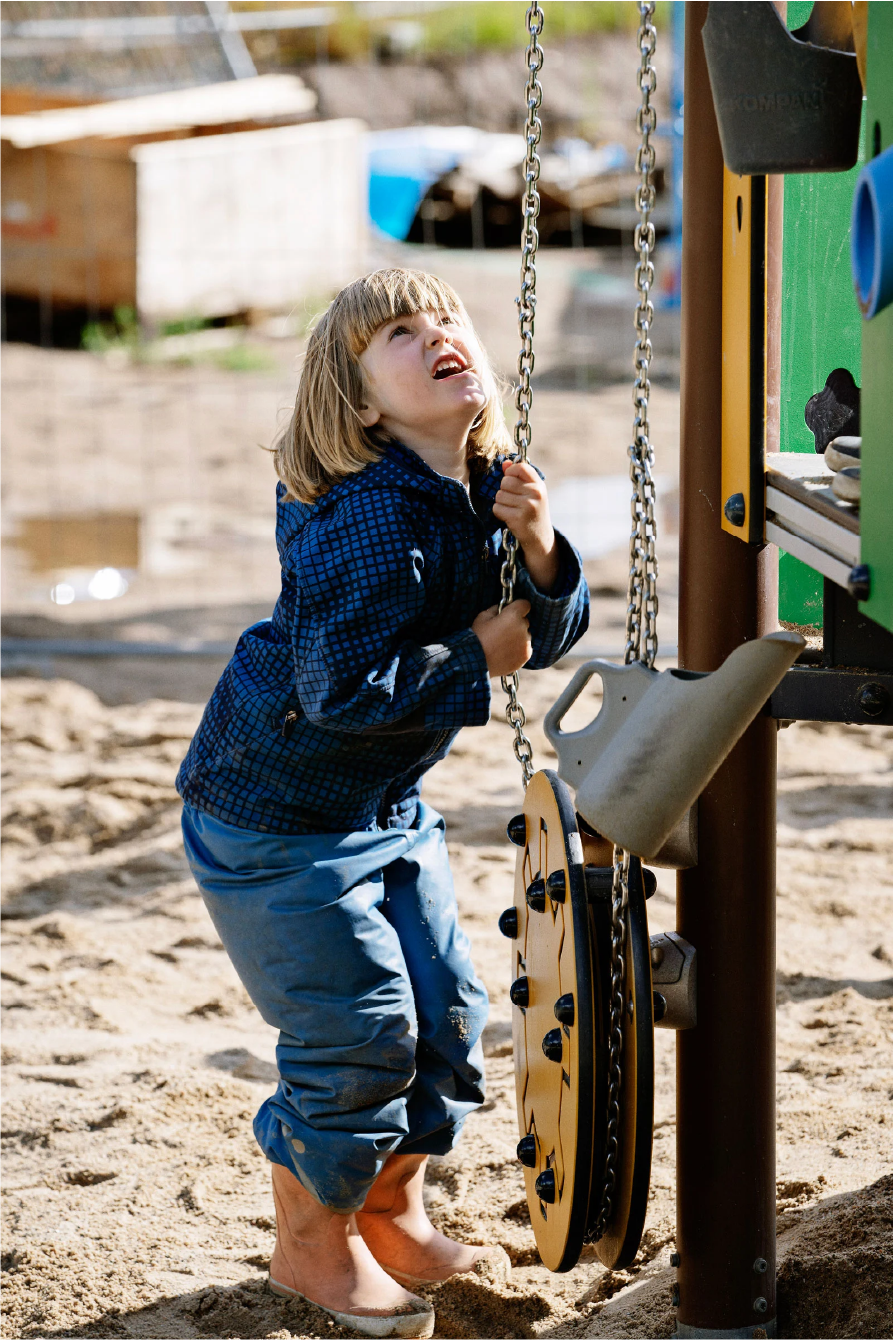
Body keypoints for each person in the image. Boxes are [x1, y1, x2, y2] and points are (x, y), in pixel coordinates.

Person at [177, 268, 589, 1337]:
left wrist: (540, 550)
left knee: (445, 1014)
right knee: (355, 1031)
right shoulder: (366, 521)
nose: (436, 334)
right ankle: (311, 1241)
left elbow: (542, 627)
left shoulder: (480, 478)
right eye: (398, 333)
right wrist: (471, 653)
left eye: (444, 318)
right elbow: (340, 691)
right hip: (274, 815)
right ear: (361, 404)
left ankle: (388, 1204)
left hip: (379, 804)